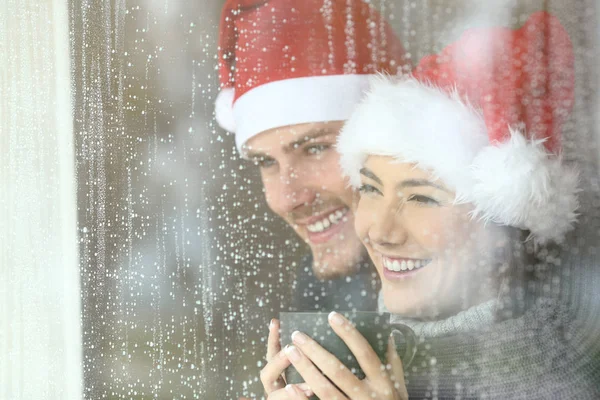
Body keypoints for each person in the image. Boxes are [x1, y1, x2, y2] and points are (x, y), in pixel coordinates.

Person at [262, 11, 598, 399]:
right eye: (370, 189)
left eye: (421, 197)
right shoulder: (351, 348)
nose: (380, 231)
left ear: (505, 230)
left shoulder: (553, 382)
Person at [215, 0, 407, 313]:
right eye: (266, 162)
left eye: (315, 148)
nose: (288, 198)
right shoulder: (321, 302)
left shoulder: (502, 287)